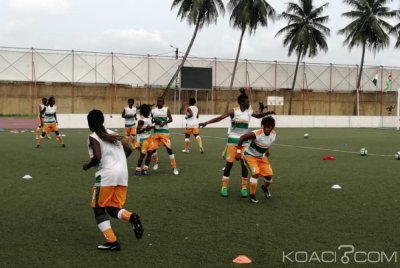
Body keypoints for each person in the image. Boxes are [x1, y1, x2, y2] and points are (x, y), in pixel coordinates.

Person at [83, 109, 143, 251]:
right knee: (112, 208)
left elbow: (97, 157)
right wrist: (119, 163)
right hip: (122, 175)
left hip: (106, 176)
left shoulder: (93, 136)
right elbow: (128, 149)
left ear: (90, 123)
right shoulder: (113, 134)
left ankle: (112, 242)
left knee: (98, 209)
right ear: (103, 121)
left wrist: (87, 165)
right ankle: (132, 217)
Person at [199, 89, 274, 198]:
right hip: (232, 142)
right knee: (229, 165)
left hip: (245, 142)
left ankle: (244, 188)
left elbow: (258, 116)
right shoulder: (233, 111)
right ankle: (224, 187)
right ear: (241, 102)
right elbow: (220, 118)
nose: (249, 103)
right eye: (247, 101)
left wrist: (268, 112)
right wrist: (206, 123)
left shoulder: (249, 111)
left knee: (244, 165)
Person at [236, 116, 276, 203]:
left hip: (262, 157)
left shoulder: (273, 134)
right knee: (255, 173)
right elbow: (242, 138)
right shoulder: (256, 134)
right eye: (264, 126)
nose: (266, 128)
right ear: (262, 126)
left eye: (269, 127)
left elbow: (267, 143)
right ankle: (252, 195)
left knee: (269, 177)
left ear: (272, 127)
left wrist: (267, 151)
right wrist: (238, 152)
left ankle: (265, 187)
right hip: (249, 156)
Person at [151, 97, 179, 175]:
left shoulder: (166, 109)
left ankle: (174, 167)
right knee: (153, 149)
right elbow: (151, 120)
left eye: (160, 101)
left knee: (169, 149)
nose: (159, 102)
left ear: (163, 102)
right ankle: (156, 162)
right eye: (158, 101)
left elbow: (171, 119)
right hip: (156, 132)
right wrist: (156, 121)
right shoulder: (153, 110)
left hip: (165, 132)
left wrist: (164, 122)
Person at [135, 104, 156, 176]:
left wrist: (151, 127)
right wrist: (145, 129)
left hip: (149, 139)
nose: (150, 112)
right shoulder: (141, 120)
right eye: (149, 110)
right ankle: (137, 170)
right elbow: (137, 131)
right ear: (145, 111)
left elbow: (148, 128)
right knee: (142, 155)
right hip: (142, 140)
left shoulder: (148, 118)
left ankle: (144, 170)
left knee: (150, 154)